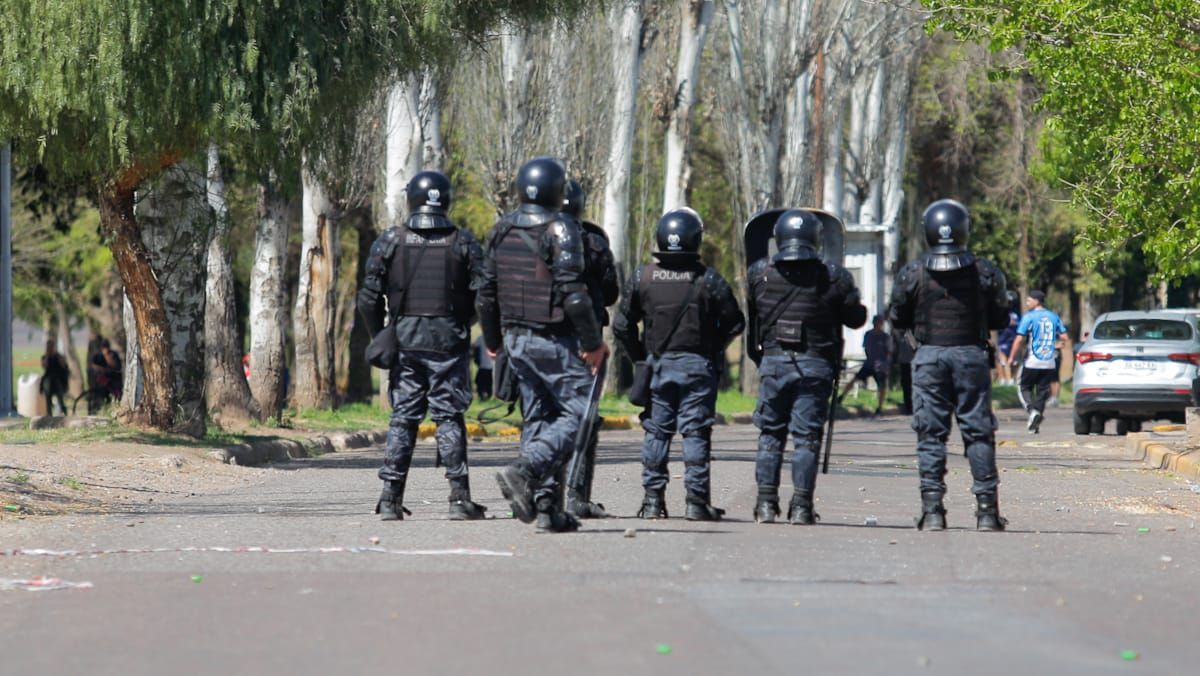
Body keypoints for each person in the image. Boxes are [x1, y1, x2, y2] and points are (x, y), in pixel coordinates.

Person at [477, 157, 609, 533]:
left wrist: (493, 341)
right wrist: (593, 342)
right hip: (554, 339)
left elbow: (486, 294)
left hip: (516, 342)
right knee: (581, 413)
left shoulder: (501, 229)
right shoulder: (562, 228)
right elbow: (575, 295)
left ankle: (547, 506)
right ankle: (526, 470)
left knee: (539, 417)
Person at [357, 170, 488, 522]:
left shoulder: (390, 240)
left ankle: (389, 498)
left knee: (404, 418)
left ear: (411, 199)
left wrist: (381, 333)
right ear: (445, 200)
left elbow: (368, 296)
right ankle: (459, 499)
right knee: (449, 417)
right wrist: (470, 325)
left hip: (406, 340)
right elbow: (485, 295)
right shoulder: (463, 242)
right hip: (449, 341)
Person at [614, 208, 744, 521]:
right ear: (695, 240)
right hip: (696, 366)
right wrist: (711, 349)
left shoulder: (642, 277)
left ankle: (652, 503)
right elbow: (735, 322)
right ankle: (697, 504)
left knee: (657, 433)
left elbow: (621, 325)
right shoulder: (708, 279)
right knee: (696, 434)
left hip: (657, 366)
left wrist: (640, 359)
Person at [888, 199, 1011, 531]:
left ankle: (932, 512)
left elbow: (897, 316)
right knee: (979, 434)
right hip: (970, 356)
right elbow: (1002, 316)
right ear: (964, 230)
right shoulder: (986, 272)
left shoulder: (912, 273)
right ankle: (987, 512)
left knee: (931, 435)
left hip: (929, 358)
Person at [747, 209, 866, 525]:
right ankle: (800, 507)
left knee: (770, 436)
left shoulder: (759, 274)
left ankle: (764, 505)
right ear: (815, 239)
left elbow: (753, 323)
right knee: (806, 438)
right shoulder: (835, 277)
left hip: (774, 363)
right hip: (815, 365)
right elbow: (855, 319)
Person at [560, 179, 620, 519]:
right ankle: (576, 495)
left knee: (544, 416)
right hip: (587, 344)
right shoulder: (595, 242)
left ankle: (541, 493)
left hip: (541, 339)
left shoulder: (531, 238)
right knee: (584, 418)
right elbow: (610, 293)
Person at [1007, 290, 1070, 434]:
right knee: (1042, 391)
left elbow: (1019, 339)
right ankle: (1035, 422)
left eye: (1029, 300)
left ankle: (1031, 410)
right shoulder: (1054, 316)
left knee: (1023, 386)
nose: (1027, 303)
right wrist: (1055, 344)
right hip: (1049, 361)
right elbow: (1065, 337)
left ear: (1037, 301)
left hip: (1032, 360)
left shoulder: (1029, 317)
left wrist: (1011, 357)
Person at [839, 314, 890, 415]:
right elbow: (866, 348)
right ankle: (841, 397)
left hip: (880, 365)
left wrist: (886, 364)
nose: (879, 324)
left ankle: (879, 407)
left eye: (880, 322)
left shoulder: (885, 337)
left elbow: (888, 352)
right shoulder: (868, 335)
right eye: (877, 322)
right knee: (855, 379)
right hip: (869, 363)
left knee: (881, 386)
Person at [88, 339, 123, 413]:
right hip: (101, 381)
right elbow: (93, 366)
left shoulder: (113, 355)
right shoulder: (98, 356)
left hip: (113, 380)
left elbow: (116, 367)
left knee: (115, 395)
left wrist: (107, 357)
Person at [40, 340, 70, 416]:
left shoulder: (59, 356)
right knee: (47, 386)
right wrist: (47, 355)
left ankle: (63, 411)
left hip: (58, 380)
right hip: (49, 381)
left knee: (60, 397)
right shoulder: (45, 357)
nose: (50, 348)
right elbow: (44, 366)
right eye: (48, 347)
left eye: (51, 346)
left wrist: (56, 355)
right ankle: (49, 412)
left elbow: (63, 366)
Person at [892, 328, 915, 415]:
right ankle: (908, 406)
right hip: (903, 362)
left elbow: (914, 346)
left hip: (912, 362)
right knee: (905, 385)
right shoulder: (896, 333)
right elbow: (894, 347)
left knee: (912, 385)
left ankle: (913, 406)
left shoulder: (909, 333)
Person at [995, 312, 1019, 385]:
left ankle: (1011, 379)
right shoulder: (1003, 327)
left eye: (1015, 320)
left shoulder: (1015, 328)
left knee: (1012, 363)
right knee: (1003, 362)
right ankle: (1004, 379)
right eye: (1012, 320)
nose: (1014, 321)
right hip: (1003, 345)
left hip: (1012, 346)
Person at [472, 336, 493, 400]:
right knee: (488, 383)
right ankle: (487, 396)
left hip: (483, 366)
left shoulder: (480, 338)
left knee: (480, 382)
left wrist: (476, 361)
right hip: (490, 366)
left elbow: (475, 349)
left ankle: (482, 396)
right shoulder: (493, 337)